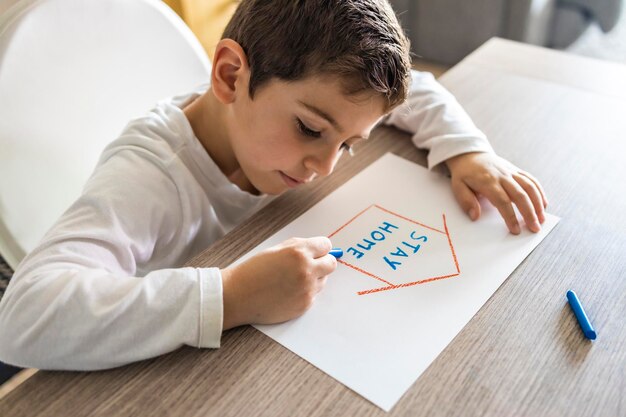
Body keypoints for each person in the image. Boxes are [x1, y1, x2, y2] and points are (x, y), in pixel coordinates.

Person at [0, 0, 547, 370]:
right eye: (310, 129)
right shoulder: (150, 177)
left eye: (350, 143)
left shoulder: (283, 101)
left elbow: (416, 90)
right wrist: (231, 296)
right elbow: (23, 318)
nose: (326, 166)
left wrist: (468, 150)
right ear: (232, 76)